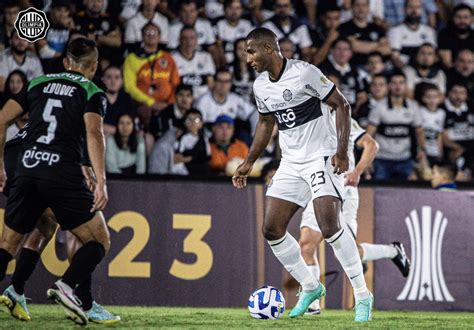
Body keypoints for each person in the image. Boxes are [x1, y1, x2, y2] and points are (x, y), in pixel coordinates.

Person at [233, 27, 373, 322]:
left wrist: (341, 152)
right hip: (291, 163)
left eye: (251, 51)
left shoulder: (305, 73)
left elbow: (342, 105)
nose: (248, 58)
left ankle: (362, 294)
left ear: (270, 49)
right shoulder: (261, 86)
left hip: (321, 157)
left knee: (330, 225)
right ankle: (310, 286)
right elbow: (265, 123)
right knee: (271, 229)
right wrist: (248, 161)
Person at [0, 37, 110, 325]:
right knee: (96, 239)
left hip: (24, 163)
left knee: (19, 236)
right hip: (59, 168)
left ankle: (16, 290)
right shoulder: (91, 90)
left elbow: (2, 118)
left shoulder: (38, 82)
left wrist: (0, 167)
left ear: (65, 62)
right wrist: (100, 180)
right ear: (94, 67)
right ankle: (72, 290)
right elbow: (93, 133)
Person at [0, 125, 120, 324]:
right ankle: (84, 301)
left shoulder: (45, 95)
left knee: (45, 224)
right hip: (44, 158)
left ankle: (16, 289)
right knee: (80, 225)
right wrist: (87, 166)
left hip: (18, 156)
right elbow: (91, 132)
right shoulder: (85, 97)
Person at [298, 118, 410, 315]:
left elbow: (371, 144)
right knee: (306, 245)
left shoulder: (341, 118)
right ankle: (313, 305)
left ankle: (393, 251)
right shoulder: (307, 118)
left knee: (346, 251)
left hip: (343, 192)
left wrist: (357, 172)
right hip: (318, 189)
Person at [367, 71, 427, 180]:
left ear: (406, 85)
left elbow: (420, 131)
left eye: (401, 83)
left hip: (405, 159)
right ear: (389, 86)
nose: (398, 86)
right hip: (382, 159)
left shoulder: (413, 107)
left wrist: (422, 150)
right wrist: (367, 159)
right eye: (394, 83)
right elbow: (369, 134)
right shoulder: (379, 107)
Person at [123, 21, 180, 131]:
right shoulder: (132, 58)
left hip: (167, 104)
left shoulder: (167, 57)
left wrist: (169, 104)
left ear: (159, 37)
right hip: (143, 104)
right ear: (142, 36)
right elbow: (129, 87)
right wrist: (151, 103)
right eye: (147, 32)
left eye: (154, 32)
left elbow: (176, 84)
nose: (150, 34)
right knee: (145, 112)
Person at [338, 0, 390, 66]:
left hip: (377, 67)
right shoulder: (344, 27)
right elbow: (355, 47)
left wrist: (364, 46)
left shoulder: (377, 27)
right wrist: (378, 44)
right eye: (357, 5)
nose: (361, 8)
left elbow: (387, 49)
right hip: (355, 66)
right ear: (352, 7)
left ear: (368, 8)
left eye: (364, 5)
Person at [387, 0, 437, 69]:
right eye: (410, 7)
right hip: (403, 70)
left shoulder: (429, 31)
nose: (414, 10)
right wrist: (408, 71)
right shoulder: (395, 31)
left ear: (421, 10)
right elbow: (395, 58)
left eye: (417, 7)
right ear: (404, 10)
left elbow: (432, 56)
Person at [172, 26, 216, 99]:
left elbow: (210, 83)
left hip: (203, 100)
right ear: (179, 40)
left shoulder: (206, 56)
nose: (189, 42)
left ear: (196, 40)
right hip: (182, 100)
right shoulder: (172, 58)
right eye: (185, 38)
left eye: (192, 38)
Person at [102, 65, 137, 136]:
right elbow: (92, 125)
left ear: (122, 81)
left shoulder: (127, 98)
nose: (113, 81)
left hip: (122, 138)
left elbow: (131, 124)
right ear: (103, 80)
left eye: (117, 77)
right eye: (109, 77)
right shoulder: (96, 98)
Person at [437, 4, 473, 69]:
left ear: (471, 19)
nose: (462, 21)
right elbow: (447, 63)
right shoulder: (444, 34)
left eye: (466, 17)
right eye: (458, 17)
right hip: (451, 73)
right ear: (453, 18)